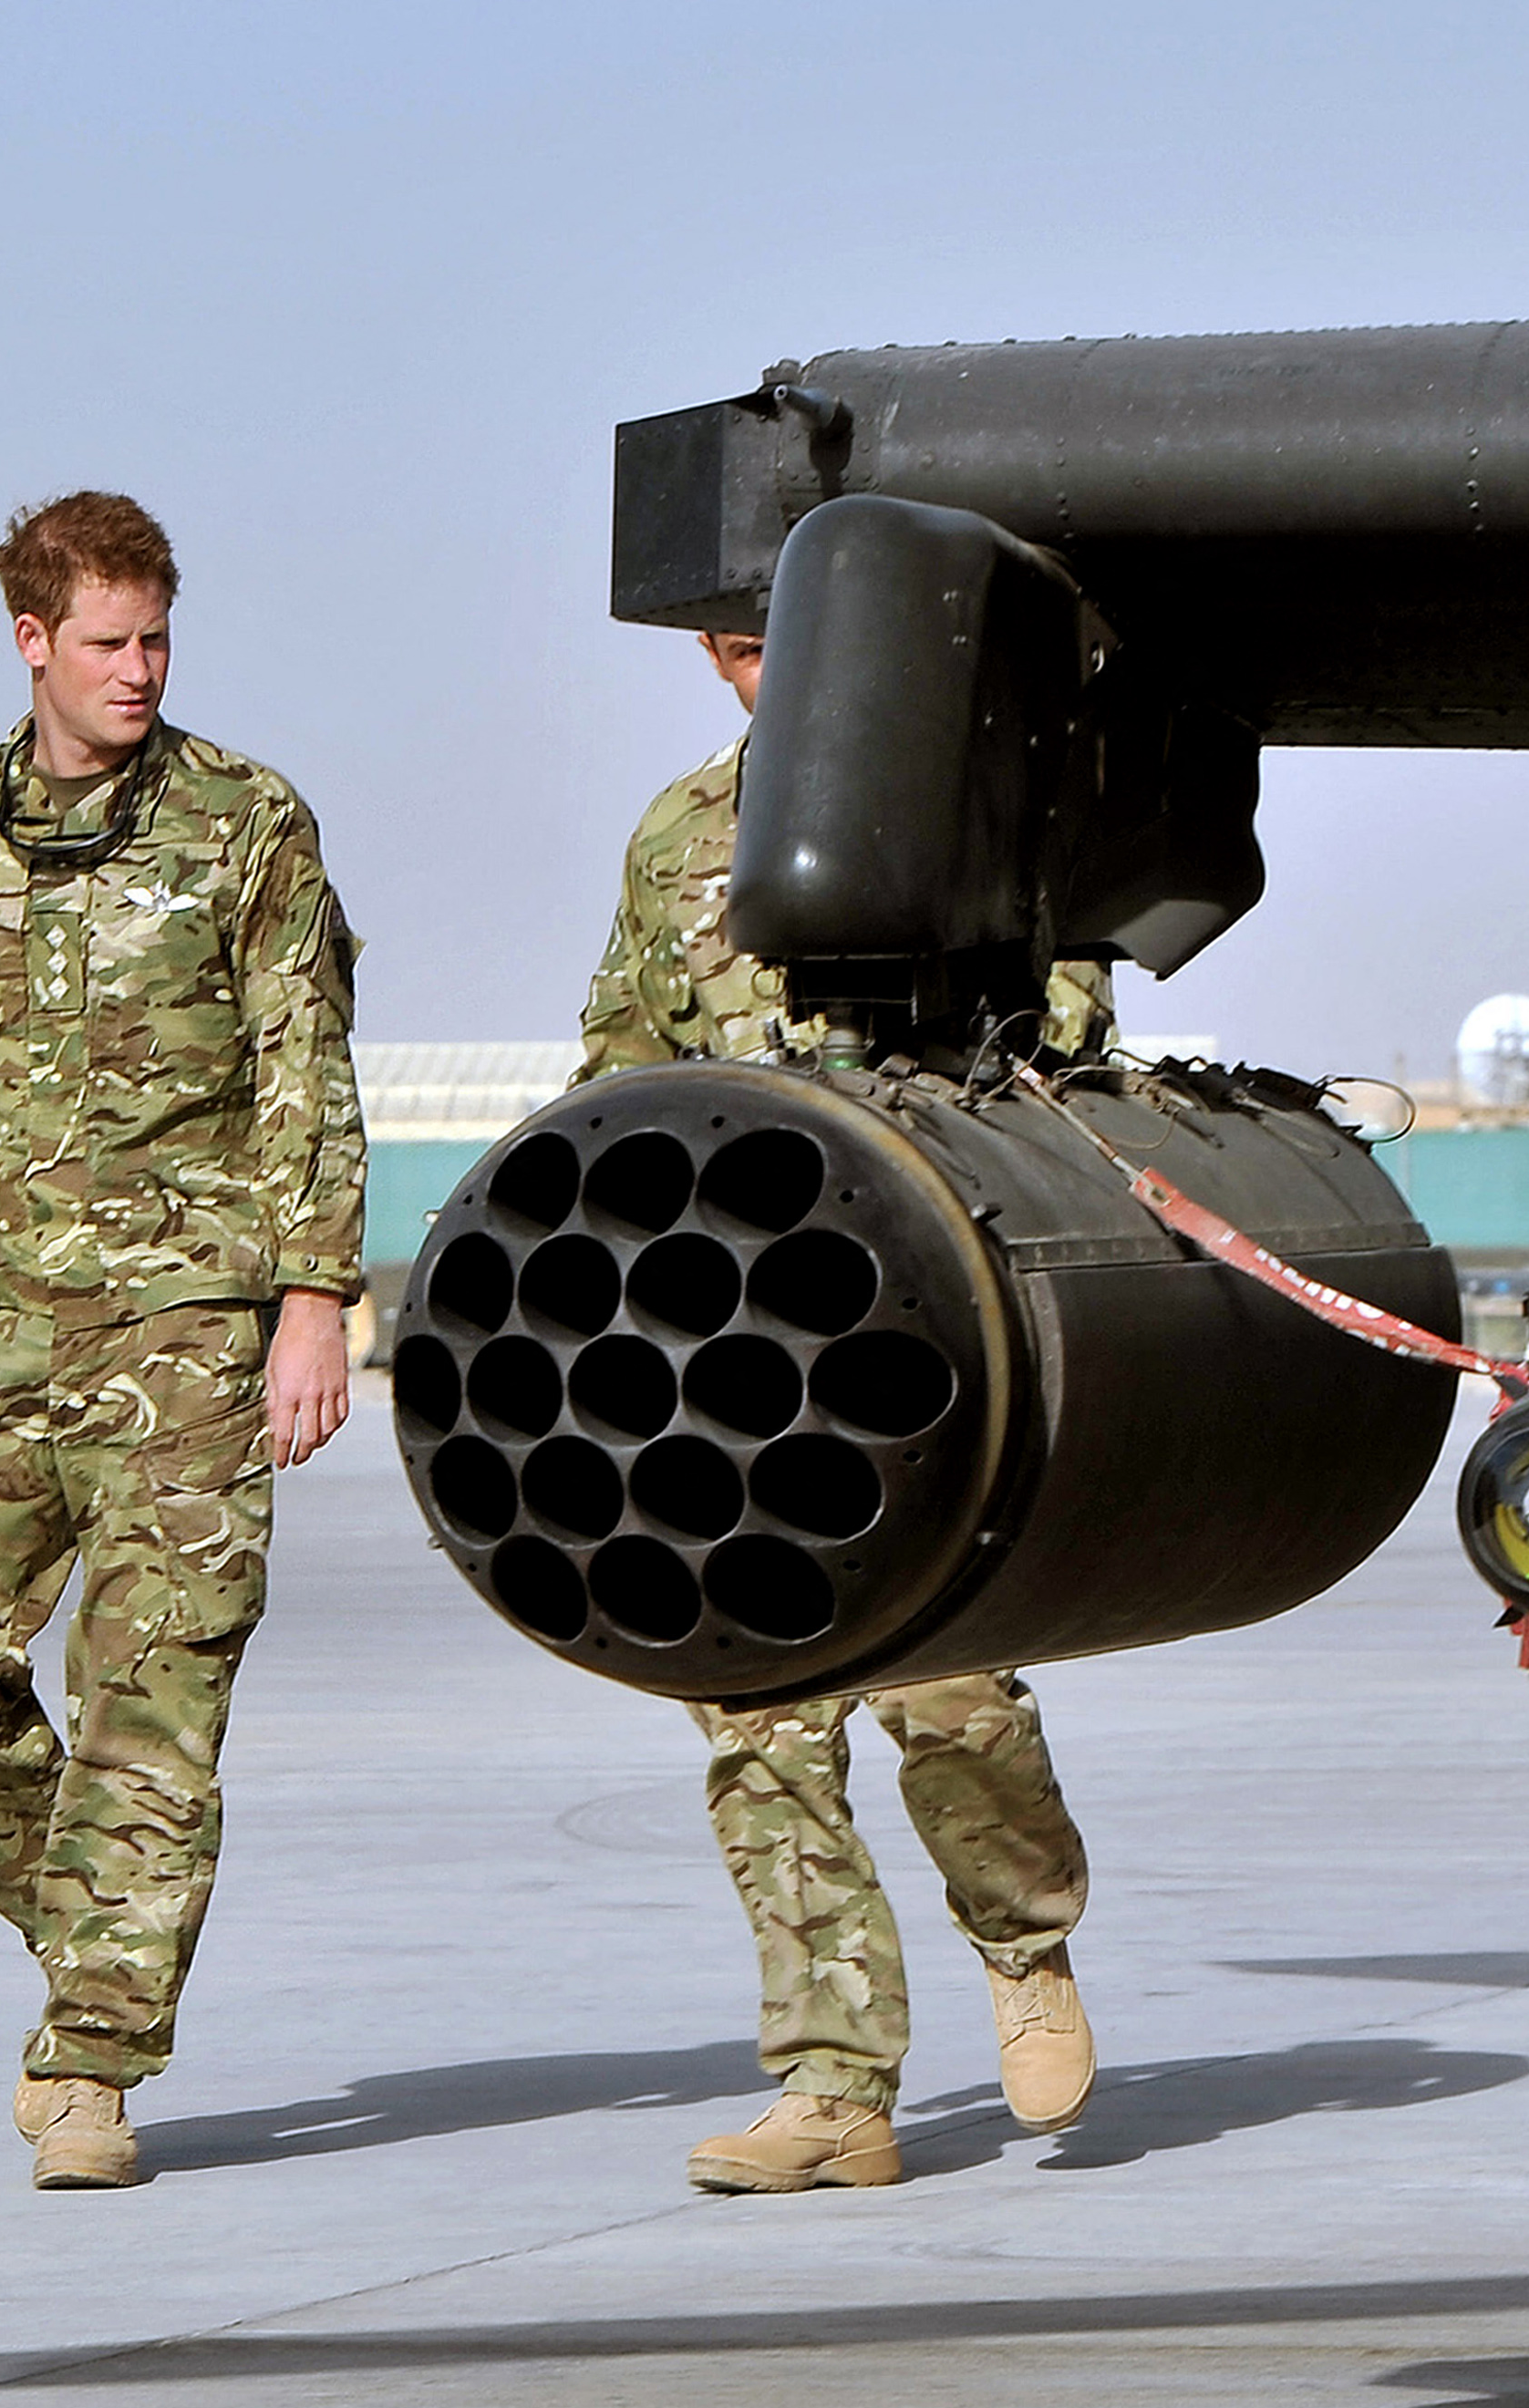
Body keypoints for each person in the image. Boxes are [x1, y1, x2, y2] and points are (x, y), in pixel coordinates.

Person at [0, 492, 366, 2190]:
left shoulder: (244, 822)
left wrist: (309, 1301)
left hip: (195, 1333)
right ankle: (95, 1924)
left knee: (154, 1702)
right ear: (31, 641)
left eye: (158, 639)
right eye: (108, 641)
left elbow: (307, 1073)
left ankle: (91, 2064)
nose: (139, 670)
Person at [576, 620, 1099, 2195]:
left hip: (915, 1331)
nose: (765, 676)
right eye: (738, 649)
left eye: (790, 640)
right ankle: (835, 2085)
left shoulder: (965, 808)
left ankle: (1023, 1937)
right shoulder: (679, 832)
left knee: (949, 1695)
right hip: (732, 1344)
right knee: (756, 1722)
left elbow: (1068, 1021)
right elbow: (620, 1058)